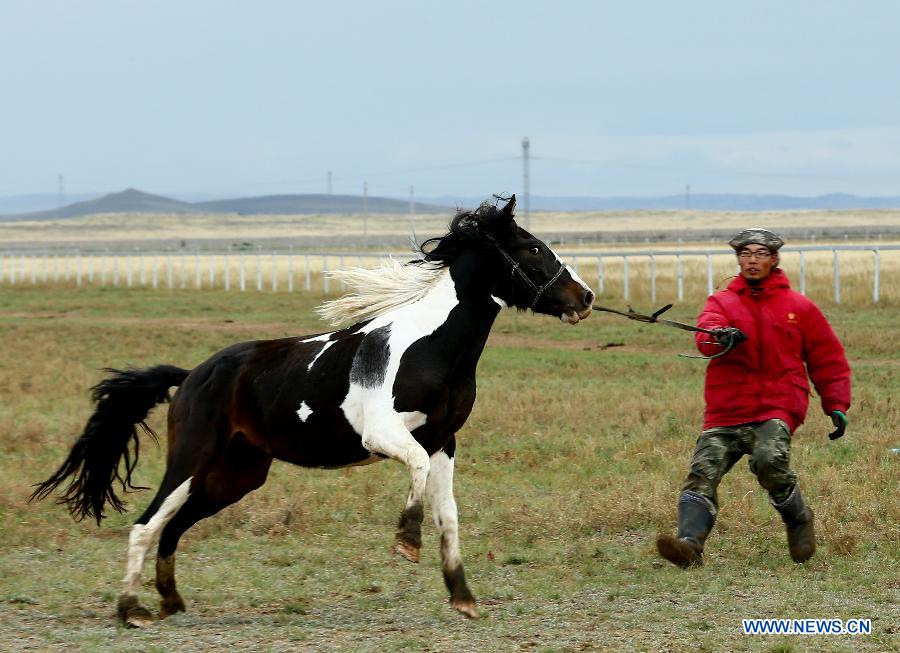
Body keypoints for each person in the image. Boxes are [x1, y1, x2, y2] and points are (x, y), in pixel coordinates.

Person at [656, 228, 851, 567]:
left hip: (778, 404)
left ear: (774, 259)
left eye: (760, 254)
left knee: (768, 460)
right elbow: (706, 334)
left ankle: (798, 518)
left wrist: (835, 404)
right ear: (738, 260)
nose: (752, 260)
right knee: (703, 473)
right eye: (745, 254)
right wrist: (720, 336)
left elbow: (827, 357)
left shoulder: (799, 307)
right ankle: (688, 546)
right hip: (726, 408)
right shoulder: (721, 302)